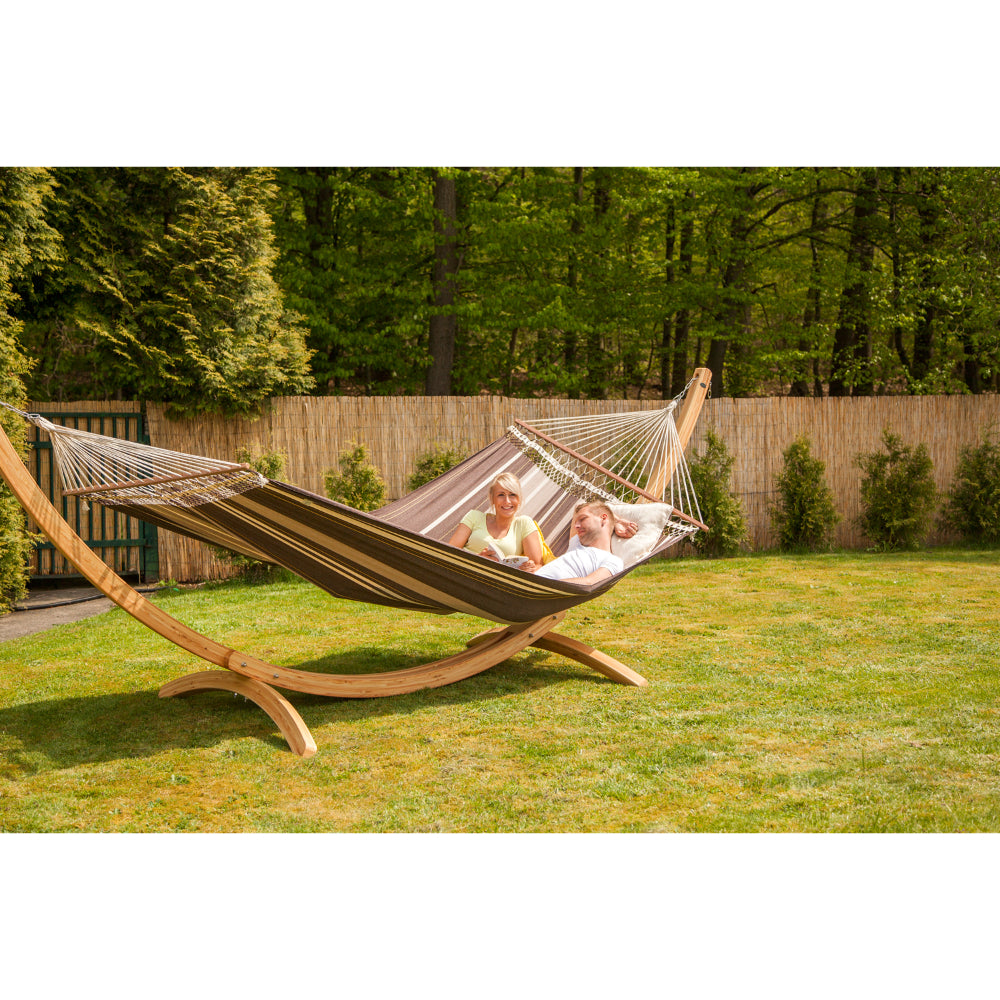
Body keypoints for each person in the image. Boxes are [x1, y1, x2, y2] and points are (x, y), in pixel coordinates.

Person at [448, 472, 544, 565]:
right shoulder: (474, 517)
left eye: (512, 495)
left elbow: (538, 566)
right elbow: (448, 553)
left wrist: (528, 569)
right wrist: (477, 559)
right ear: (492, 498)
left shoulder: (524, 524)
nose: (507, 501)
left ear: (519, 499)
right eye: (501, 495)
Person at [526, 501, 625, 584]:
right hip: (529, 582)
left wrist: (544, 584)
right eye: (576, 522)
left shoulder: (613, 561)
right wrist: (618, 521)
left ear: (603, 518)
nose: (576, 526)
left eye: (582, 519)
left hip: (541, 588)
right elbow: (579, 505)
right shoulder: (576, 544)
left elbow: (589, 583)